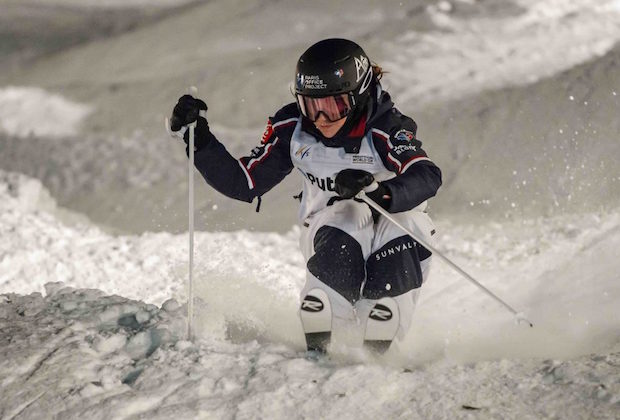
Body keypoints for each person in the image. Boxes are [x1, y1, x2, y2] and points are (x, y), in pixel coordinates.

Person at [169, 38, 442, 354]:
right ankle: (328, 315)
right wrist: (198, 140)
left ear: (359, 95)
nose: (322, 119)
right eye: (311, 106)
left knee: (402, 226)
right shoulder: (292, 128)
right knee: (349, 215)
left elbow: (427, 175)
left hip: (395, 223)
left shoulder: (386, 127)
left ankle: (381, 321)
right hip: (331, 229)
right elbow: (244, 182)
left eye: (334, 106)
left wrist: (379, 192)